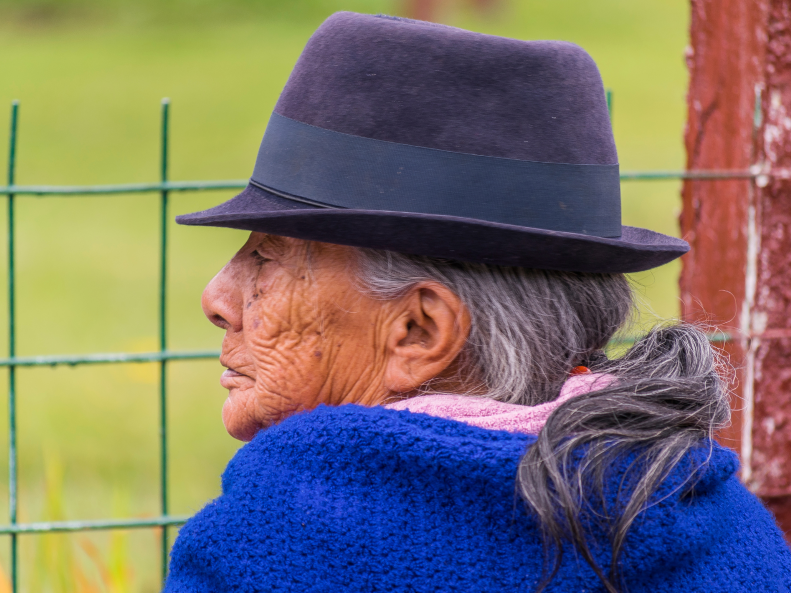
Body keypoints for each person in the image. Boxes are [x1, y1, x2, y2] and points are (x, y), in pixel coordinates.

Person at [163, 12, 791, 593]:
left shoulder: (275, 539)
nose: (217, 297)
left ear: (418, 330)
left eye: (266, 258)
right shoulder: (724, 528)